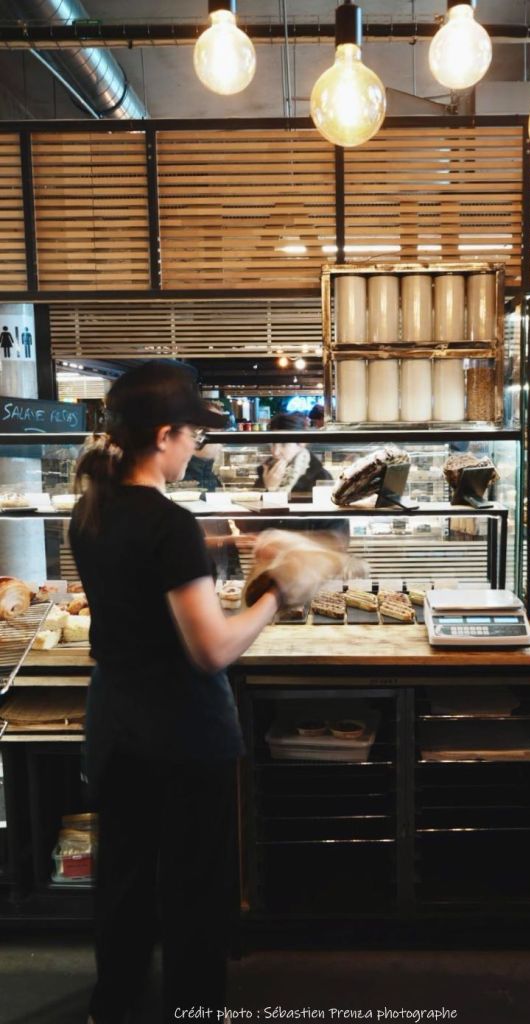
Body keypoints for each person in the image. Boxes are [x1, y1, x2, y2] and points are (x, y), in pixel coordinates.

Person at [69, 362, 312, 1024]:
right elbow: (212, 650)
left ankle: (113, 1005)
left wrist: (218, 546)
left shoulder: (91, 511)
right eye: (193, 435)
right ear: (165, 435)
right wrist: (277, 595)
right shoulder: (169, 524)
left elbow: (141, 581)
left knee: (123, 877)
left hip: (115, 724)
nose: (196, 447)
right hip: (181, 732)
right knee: (193, 891)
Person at [256, 412, 331, 495]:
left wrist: (272, 489)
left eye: (284, 444)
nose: (275, 452)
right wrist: (270, 488)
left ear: (302, 443)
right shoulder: (265, 472)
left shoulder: (320, 477)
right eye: (273, 443)